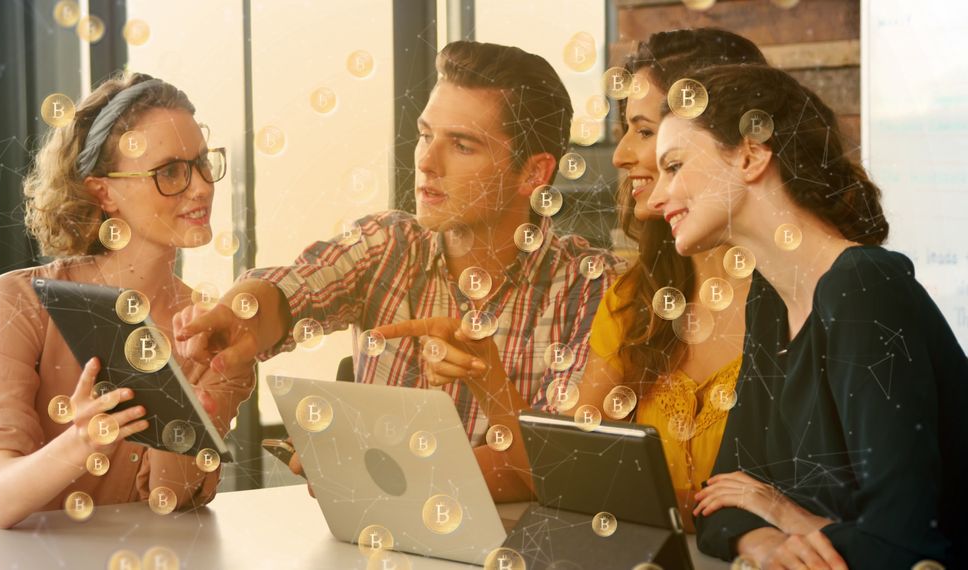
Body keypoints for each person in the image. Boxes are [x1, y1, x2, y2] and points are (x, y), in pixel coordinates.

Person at [174, 41, 624, 502]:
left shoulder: (591, 288)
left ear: (533, 174)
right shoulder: (387, 245)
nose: (426, 162)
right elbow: (294, 288)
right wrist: (239, 313)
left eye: (462, 145)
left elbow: (562, 465)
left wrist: (367, 467)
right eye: (426, 135)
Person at [647, 64, 967, 568]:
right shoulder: (770, 300)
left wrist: (777, 510)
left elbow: (902, 545)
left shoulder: (864, 286)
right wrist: (766, 543)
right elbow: (719, 500)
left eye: (674, 166)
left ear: (751, 155)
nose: (653, 198)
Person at [0, 73, 253, 529]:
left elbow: (171, 504)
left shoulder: (217, 331)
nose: (203, 187)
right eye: (170, 171)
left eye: (203, 163)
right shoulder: (16, 302)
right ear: (103, 191)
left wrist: (185, 405)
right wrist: (83, 440)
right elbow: (0, 499)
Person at [566, 28, 768, 533]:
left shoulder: (805, 299)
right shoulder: (635, 297)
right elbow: (574, 462)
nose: (620, 155)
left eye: (644, 130)